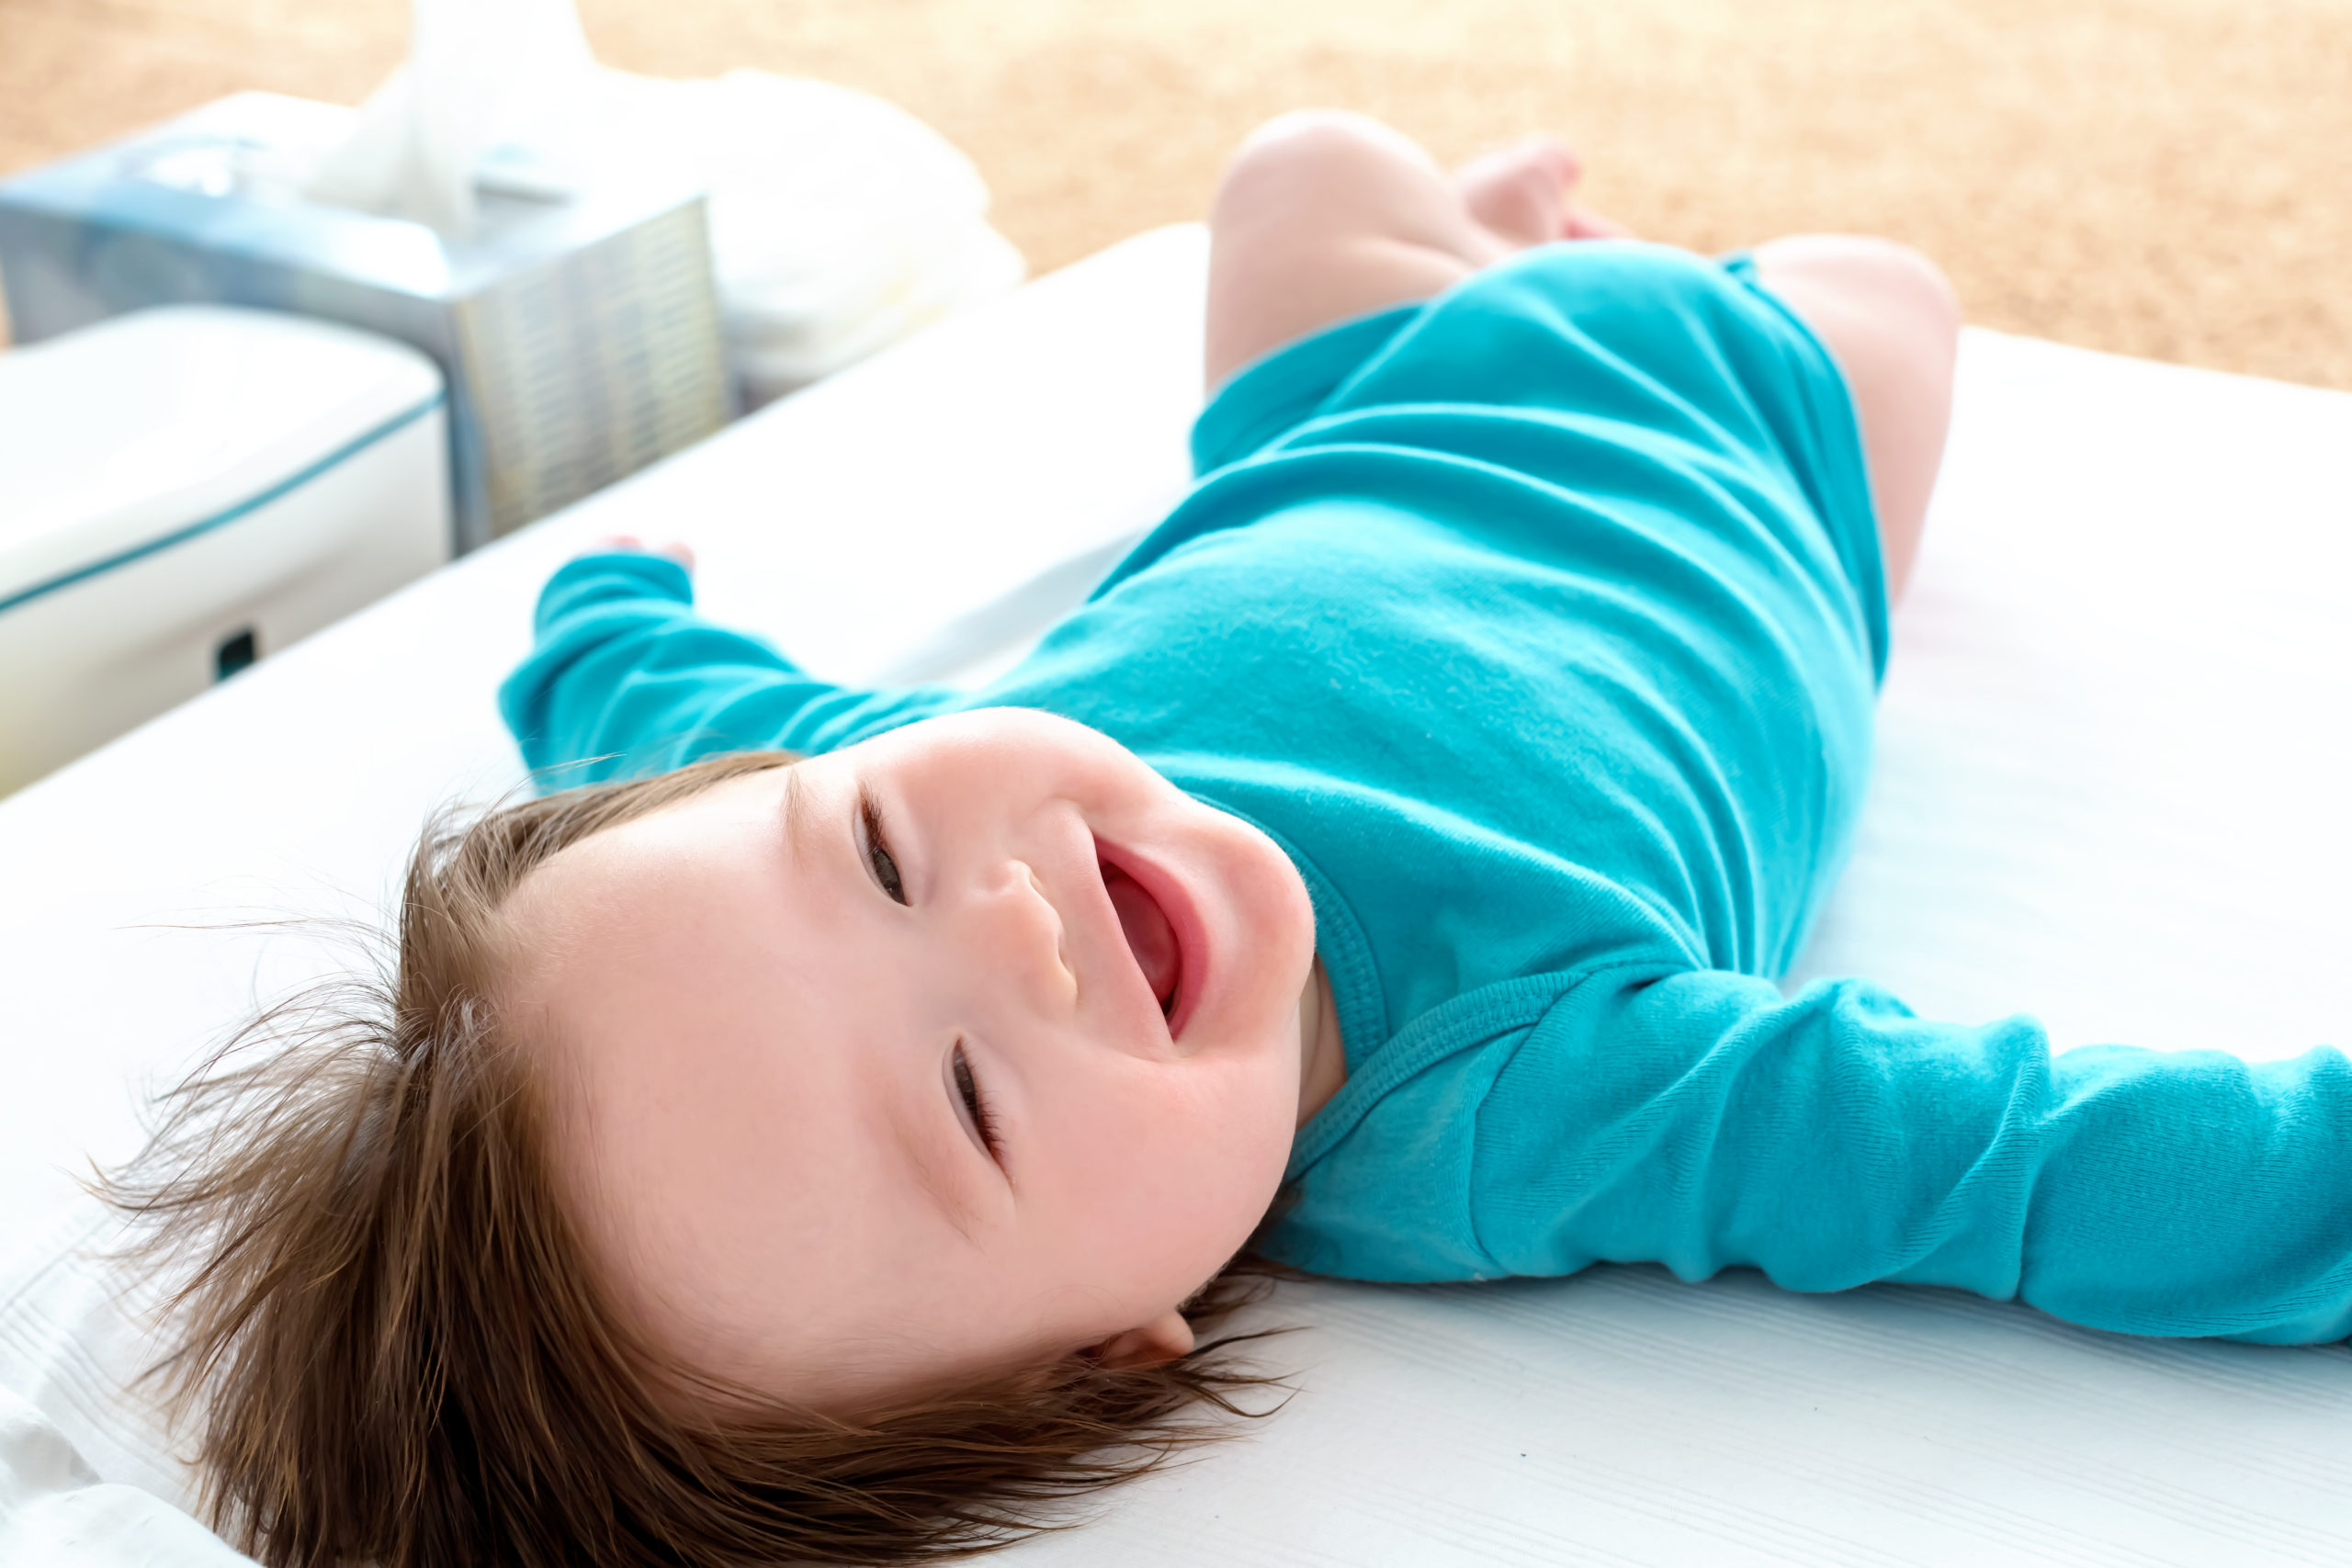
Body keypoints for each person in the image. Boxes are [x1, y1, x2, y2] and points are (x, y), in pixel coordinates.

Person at [112, 112, 2352, 1568]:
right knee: (1886, 274)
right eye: (976, 1097)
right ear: (1113, 1344)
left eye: (880, 850)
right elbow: (2036, 1166)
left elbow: (696, 724)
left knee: (1288, 167)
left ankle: (1487, 238)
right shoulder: (1535, 1097)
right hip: (1750, 442)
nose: (1002, 915)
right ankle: (1604, 259)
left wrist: (608, 603)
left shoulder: (916, 757)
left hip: (1343, 400)